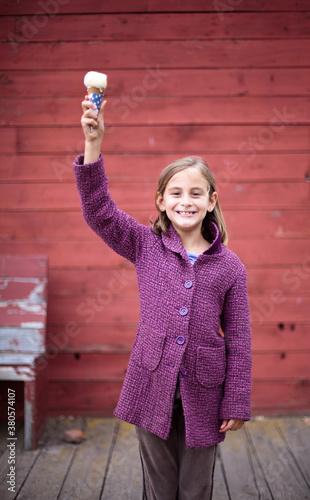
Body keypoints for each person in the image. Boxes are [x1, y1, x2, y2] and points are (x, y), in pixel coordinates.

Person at [74, 96, 252, 500]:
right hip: (150, 382)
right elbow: (98, 210)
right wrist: (93, 144)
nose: (185, 201)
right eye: (175, 193)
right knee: (159, 488)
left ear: (211, 200)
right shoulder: (144, 245)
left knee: (195, 489)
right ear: (161, 201)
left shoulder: (230, 267)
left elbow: (239, 339)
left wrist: (237, 399)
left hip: (205, 393)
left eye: (195, 193)